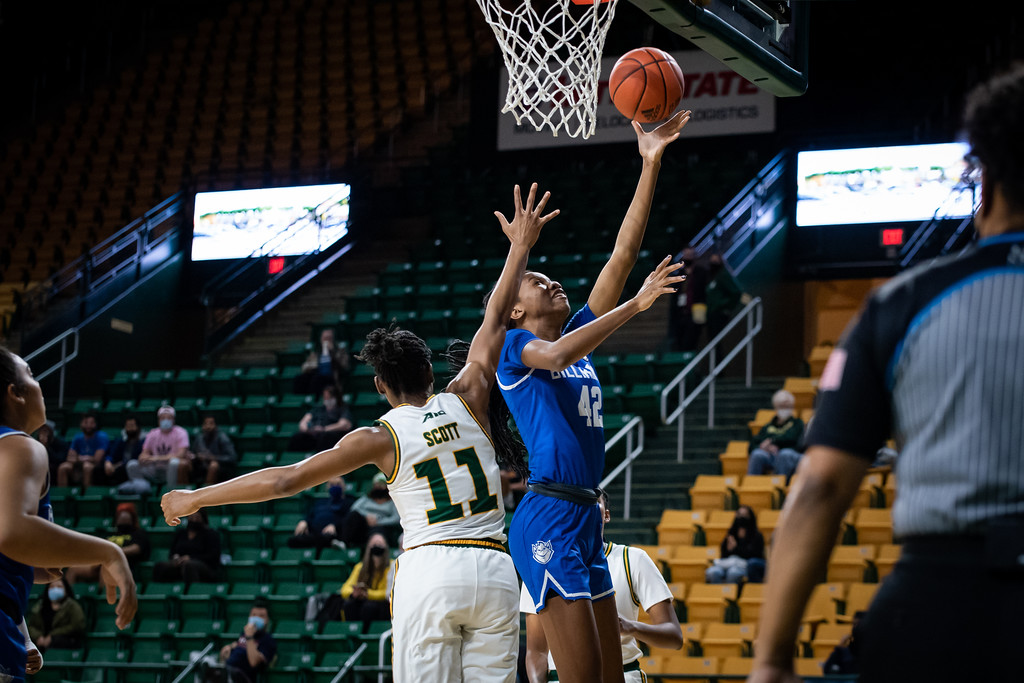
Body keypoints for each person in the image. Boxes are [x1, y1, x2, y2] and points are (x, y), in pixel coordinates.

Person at [162, 181, 559, 682]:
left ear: (380, 386)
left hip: (431, 569)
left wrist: (196, 497)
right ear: (430, 372)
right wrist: (520, 247)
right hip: (496, 569)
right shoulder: (468, 394)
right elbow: (496, 318)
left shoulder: (378, 438)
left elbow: (284, 480)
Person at [748, 65, 1024, 683]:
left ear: (984, 180)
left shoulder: (903, 303)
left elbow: (820, 487)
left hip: (943, 602)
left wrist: (770, 661)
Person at [493, 111, 689, 683]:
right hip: (548, 517)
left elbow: (622, 257)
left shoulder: (577, 336)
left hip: (584, 516)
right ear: (515, 308)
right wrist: (636, 306)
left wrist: (649, 164)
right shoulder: (514, 347)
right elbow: (555, 357)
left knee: (610, 677)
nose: (551, 281)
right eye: (537, 281)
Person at [0, 346, 136, 680]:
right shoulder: (20, 446)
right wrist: (108, 552)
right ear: (15, 393)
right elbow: (13, 533)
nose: (39, 384)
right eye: (31, 374)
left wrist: (37, 560)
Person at [521, 491, 682, 682]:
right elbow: (536, 651)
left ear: (606, 515)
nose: (583, 506)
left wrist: (631, 627)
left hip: (623, 673)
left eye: (593, 500)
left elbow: (674, 637)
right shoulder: (540, 566)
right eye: (577, 500)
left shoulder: (632, 559)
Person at [65, 502, 151, 584]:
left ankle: (102, 594)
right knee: (73, 569)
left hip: (121, 565)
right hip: (100, 562)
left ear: (132, 519)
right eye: (120, 517)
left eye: (125, 517)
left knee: (106, 569)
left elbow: (136, 548)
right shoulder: (112, 534)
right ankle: (67, 593)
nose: (122, 519)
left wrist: (114, 551)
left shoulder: (138, 533)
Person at [339, 532, 394, 628]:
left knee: (369, 607)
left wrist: (368, 594)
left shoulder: (392, 566)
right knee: (349, 605)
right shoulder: (360, 567)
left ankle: (368, 633)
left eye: (380, 544)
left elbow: (388, 593)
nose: (377, 547)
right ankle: (352, 632)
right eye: (374, 544)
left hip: (382, 603)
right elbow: (345, 589)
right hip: (363, 599)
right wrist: (354, 593)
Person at [152, 510, 221, 584]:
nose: (194, 520)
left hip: (204, 565)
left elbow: (213, 556)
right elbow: (173, 551)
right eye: (191, 517)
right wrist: (175, 557)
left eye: (197, 517)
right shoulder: (181, 533)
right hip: (180, 564)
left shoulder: (211, 534)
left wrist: (190, 558)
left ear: (203, 518)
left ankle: (193, 589)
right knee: (160, 566)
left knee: (189, 565)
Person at [746, 390, 804, 476]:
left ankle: (781, 482)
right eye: (781, 406)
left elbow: (793, 439)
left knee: (784, 454)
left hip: (790, 455)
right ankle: (752, 482)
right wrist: (764, 447)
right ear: (775, 407)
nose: (785, 409)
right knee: (757, 454)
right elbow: (754, 443)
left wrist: (773, 441)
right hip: (772, 456)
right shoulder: (768, 426)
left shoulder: (797, 423)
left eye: (787, 406)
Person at [287, 475, 354, 549]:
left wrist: (335, 526)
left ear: (344, 485)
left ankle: (330, 542)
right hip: (315, 533)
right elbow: (310, 516)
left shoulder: (349, 502)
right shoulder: (320, 502)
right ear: (327, 487)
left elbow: (348, 520)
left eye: (338, 484)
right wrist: (304, 521)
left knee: (327, 537)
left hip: (332, 533)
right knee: (292, 540)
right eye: (332, 485)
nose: (335, 487)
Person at [130, 405, 192, 486]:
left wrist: (155, 458)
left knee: (174, 462)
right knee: (132, 465)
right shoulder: (152, 433)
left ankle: (171, 490)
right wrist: (143, 457)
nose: (165, 420)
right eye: (163, 418)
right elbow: (144, 453)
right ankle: (142, 488)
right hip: (154, 468)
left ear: (173, 420)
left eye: (169, 418)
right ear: (158, 420)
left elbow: (180, 455)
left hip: (170, 468)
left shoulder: (181, 433)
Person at [336, 472, 400, 548]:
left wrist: (378, 522)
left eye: (382, 484)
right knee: (353, 516)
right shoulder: (366, 498)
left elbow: (396, 518)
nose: (379, 486)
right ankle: (343, 543)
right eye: (377, 484)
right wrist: (367, 516)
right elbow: (354, 508)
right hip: (363, 525)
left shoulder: (392, 502)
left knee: (379, 532)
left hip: (381, 527)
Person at [704, 505, 766, 584]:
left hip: (743, 564)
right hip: (728, 563)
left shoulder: (756, 535)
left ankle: (730, 591)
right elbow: (724, 554)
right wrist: (728, 549)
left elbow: (754, 555)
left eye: (745, 515)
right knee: (713, 572)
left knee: (733, 573)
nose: (741, 517)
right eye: (739, 514)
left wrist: (736, 548)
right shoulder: (732, 533)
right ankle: (717, 591)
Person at [218, 601, 277, 683]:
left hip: (243, 677)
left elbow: (254, 662)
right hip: (227, 670)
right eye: (254, 615)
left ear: (267, 620)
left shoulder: (268, 640)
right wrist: (228, 649)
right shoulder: (244, 633)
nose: (256, 619)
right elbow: (237, 649)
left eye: (261, 616)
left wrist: (250, 637)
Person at [287, 385, 354, 453]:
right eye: (325, 397)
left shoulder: (342, 409)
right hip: (314, 434)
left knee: (325, 437)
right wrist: (307, 429)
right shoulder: (318, 409)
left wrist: (324, 429)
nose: (327, 399)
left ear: (335, 397)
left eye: (329, 397)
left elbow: (344, 424)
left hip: (329, 434)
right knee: (298, 437)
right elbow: (303, 422)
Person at [26, 577, 86, 652]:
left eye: (59, 587)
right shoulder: (40, 606)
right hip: (41, 642)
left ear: (66, 589)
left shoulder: (73, 606)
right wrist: (39, 637)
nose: (55, 589)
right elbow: (30, 626)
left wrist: (52, 636)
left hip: (63, 641)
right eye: (52, 587)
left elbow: (77, 625)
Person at [667, 246, 709, 352]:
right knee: (679, 343)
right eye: (686, 255)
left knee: (692, 342)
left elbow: (704, 293)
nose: (688, 257)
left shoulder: (701, 273)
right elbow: (674, 296)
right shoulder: (679, 274)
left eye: (690, 255)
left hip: (696, 312)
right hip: (680, 313)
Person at [705, 251, 751, 340]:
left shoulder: (723, 275)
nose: (713, 264)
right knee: (711, 339)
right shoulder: (712, 277)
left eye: (715, 262)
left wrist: (725, 305)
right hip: (711, 314)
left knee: (717, 339)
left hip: (719, 314)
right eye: (712, 261)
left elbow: (736, 292)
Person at [56, 411, 109, 489]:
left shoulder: (101, 437)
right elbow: (69, 458)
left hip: (96, 466)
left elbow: (97, 459)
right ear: (81, 424)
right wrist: (82, 459)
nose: (88, 426)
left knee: (87, 466)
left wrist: (79, 458)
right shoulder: (78, 437)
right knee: (63, 467)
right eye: (86, 422)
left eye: (91, 423)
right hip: (78, 464)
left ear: (95, 424)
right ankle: (62, 493)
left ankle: (86, 493)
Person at [294, 328, 351, 395]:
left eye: (329, 338)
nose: (326, 341)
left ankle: (315, 397)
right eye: (325, 338)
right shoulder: (316, 352)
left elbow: (344, 366)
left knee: (317, 379)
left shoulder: (340, 351)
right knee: (299, 379)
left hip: (333, 376)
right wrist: (313, 366)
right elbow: (305, 367)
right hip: (317, 373)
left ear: (333, 339)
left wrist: (331, 352)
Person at [100, 415, 145, 489]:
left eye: (132, 426)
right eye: (127, 426)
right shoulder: (121, 441)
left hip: (133, 470)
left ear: (138, 428)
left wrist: (119, 465)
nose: (130, 429)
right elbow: (111, 454)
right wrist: (108, 462)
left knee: (122, 469)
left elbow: (137, 459)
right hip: (118, 468)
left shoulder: (143, 443)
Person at [191, 415, 238, 485]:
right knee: (184, 464)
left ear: (216, 426)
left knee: (213, 465)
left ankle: (208, 489)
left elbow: (231, 457)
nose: (208, 426)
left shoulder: (222, 438)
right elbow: (193, 453)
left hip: (221, 468)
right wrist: (195, 456)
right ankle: (183, 488)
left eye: (211, 423)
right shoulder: (199, 438)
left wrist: (212, 457)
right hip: (200, 466)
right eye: (205, 424)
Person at [822, 611, 866, 676]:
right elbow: (827, 670)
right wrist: (839, 647)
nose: (856, 627)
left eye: (859, 625)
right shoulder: (844, 651)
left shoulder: (873, 650)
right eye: (854, 624)